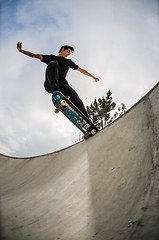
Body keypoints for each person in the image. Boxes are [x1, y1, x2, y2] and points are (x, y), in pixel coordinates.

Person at [17, 42, 100, 117]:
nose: (68, 54)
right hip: (50, 84)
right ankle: (58, 93)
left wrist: (93, 77)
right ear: (62, 49)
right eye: (68, 51)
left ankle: (87, 121)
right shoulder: (51, 57)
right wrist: (21, 51)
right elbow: (35, 55)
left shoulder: (68, 62)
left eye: (70, 53)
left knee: (77, 99)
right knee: (54, 63)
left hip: (62, 85)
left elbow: (81, 70)